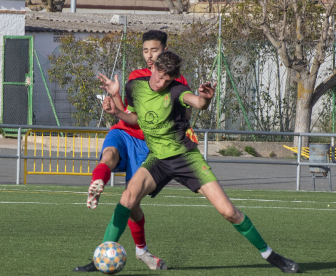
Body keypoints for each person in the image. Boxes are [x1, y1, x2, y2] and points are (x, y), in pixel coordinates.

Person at [101, 51, 300, 273]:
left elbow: (197, 102)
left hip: (185, 158)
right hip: (157, 158)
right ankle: (100, 256)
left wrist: (205, 97)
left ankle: (270, 255)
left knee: (229, 212)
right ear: (154, 67)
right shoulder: (134, 87)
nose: (161, 82)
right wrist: (117, 111)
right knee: (127, 199)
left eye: (167, 79)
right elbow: (137, 120)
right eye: (160, 76)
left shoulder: (176, 90)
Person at [73, 30, 192, 272]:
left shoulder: (178, 84)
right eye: (146, 50)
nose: (150, 55)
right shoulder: (136, 77)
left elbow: (152, 121)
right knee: (108, 155)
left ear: (165, 50)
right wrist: (114, 99)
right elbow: (129, 115)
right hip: (124, 132)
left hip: (149, 145)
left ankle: (142, 251)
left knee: (131, 202)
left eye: (155, 50)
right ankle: (97, 184)